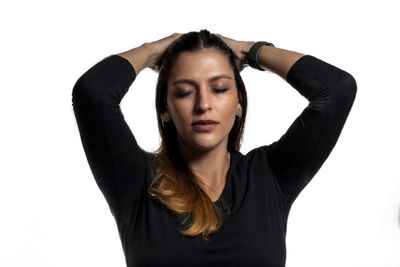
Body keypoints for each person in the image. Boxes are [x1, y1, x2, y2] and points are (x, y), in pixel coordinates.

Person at [71, 29, 357, 267]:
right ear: (165, 108)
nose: (203, 104)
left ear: (239, 102)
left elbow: (336, 90)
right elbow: (93, 93)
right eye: (184, 92)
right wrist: (153, 50)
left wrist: (249, 50)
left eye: (219, 88)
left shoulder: (270, 176)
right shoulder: (136, 182)